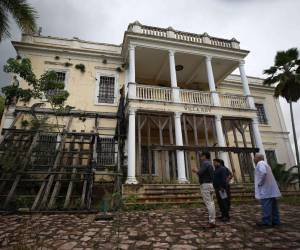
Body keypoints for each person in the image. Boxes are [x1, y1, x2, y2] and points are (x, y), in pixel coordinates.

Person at [254, 153, 281, 227]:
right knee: (273, 206)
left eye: (255, 157)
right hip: (270, 189)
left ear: (258, 158)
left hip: (266, 189)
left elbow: (263, 173)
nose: (254, 159)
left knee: (266, 206)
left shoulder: (260, 163)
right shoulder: (265, 164)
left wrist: (260, 183)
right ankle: (276, 221)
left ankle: (266, 222)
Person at [192, 151, 216, 228]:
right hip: (210, 184)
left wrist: (195, 170)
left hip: (205, 185)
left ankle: (212, 221)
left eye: (201, 156)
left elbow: (200, 173)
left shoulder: (205, 163)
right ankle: (212, 220)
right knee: (211, 203)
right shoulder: (209, 163)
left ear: (205, 156)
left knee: (209, 203)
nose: (200, 157)